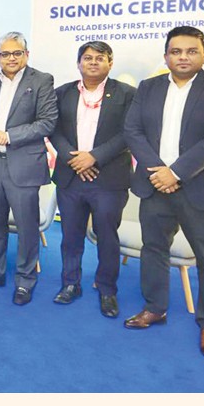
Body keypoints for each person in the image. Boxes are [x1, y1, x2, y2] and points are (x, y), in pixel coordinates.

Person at [123, 26, 204, 360]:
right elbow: (133, 130)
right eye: (176, 51)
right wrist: (159, 172)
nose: (183, 57)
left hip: (202, 188)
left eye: (191, 51)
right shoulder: (148, 87)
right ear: (166, 56)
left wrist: (175, 173)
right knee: (153, 249)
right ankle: (155, 307)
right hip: (154, 185)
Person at [0, 32, 57, 306]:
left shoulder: (41, 80)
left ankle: (25, 281)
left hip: (24, 165)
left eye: (17, 53)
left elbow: (47, 122)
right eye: (5, 54)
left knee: (27, 227)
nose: (11, 58)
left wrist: (9, 136)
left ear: (26, 54)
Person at [49, 41, 135, 317]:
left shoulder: (127, 94)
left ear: (110, 63)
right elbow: (53, 130)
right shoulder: (61, 93)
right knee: (70, 236)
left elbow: (129, 133)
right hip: (71, 177)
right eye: (88, 58)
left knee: (106, 236)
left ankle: (107, 289)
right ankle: (70, 283)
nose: (93, 62)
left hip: (108, 179)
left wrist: (94, 157)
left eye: (100, 58)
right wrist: (74, 160)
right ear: (79, 63)